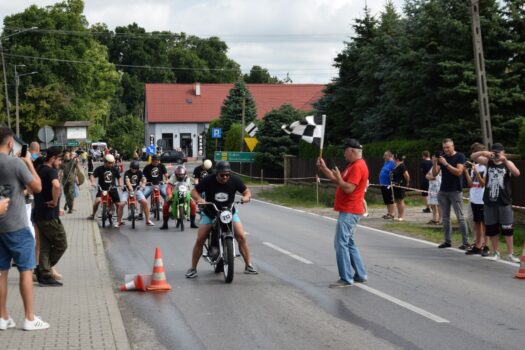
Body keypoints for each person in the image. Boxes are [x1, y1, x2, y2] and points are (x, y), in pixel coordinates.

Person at [0, 127, 49, 331]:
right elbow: (37, 187)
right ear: (10, 143)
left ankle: (2, 317)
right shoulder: (15, 163)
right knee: (26, 270)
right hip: (18, 226)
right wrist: (28, 162)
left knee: (1, 272)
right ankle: (29, 318)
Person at [185, 161, 257, 278]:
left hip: (229, 212)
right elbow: (194, 191)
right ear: (217, 173)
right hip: (210, 213)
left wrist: (246, 197)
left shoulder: (235, 180)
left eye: (227, 174)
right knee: (200, 238)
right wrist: (199, 199)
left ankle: (248, 265)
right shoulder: (208, 180)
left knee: (241, 236)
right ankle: (193, 268)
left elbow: (247, 191)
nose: (225, 177)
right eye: (222, 175)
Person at [317, 139, 369, 288]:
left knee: (340, 243)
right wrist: (324, 168)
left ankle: (346, 278)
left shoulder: (358, 167)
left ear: (352, 151)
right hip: (350, 210)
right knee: (349, 243)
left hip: (350, 210)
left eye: (345, 151)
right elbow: (336, 180)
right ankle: (360, 274)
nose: (344, 154)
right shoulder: (353, 166)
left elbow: (348, 188)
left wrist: (340, 179)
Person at [471, 143, 521, 262]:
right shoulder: (488, 162)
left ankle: (511, 253)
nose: (496, 155)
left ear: (503, 152)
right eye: (494, 152)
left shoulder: (507, 163)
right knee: (492, 228)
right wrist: (484, 153)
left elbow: (517, 173)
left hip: (504, 201)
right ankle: (496, 252)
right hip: (490, 201)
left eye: (498, 152)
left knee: (507, 228)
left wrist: (505, 160)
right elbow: (473, 156)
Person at [34, 146, 68, 287]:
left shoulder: (40, 169)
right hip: (49, 216)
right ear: (53, 158)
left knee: (45, 247)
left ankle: (45, 275)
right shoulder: (51, 170)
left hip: (39, 215)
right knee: (61, 243)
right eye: (59, 159)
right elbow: (56, 186)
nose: (60, 162)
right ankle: (43, 270)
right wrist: (55, 201)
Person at [432, 138, 470, 250]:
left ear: (453, 146)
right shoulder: (442, 158)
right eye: (444, 147)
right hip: (443, 190)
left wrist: (446, 164)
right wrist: (435, 163)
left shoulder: (460, 156)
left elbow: (459, 172)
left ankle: (465, 242)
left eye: (448, 147)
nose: (446, 149)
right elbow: (434, 174)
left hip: (455, 190)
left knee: (460, 217)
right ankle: (447, 241)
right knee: (445, 217)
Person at [464, 143, 488, 256]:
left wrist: (476, 172)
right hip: (474, 198)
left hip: (482, 199)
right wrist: (466, 171)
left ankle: (485, 245)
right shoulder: (475, 167)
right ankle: (477, 245)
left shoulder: (486, 167)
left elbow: (483, 184)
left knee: (484, 223)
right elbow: (470, 184)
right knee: (476, 223)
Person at [88, 154, 124, 228]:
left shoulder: (114, 169)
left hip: (112, 189)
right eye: (109, 163)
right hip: (102, 189)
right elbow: (92, 175)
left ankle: (120, 219)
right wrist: (93, 182)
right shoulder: (99, 169)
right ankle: (93, 215)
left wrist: (120, 184)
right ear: (105, 162)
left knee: (118, 205)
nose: (111, 164)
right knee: (97, 201)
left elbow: (119, 177)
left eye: (112, 163)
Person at [160, 165, 198, 230]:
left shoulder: (187, 178)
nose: (180, 176)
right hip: (174, 193)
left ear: (184, 174)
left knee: (193, 205)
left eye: (182, 174)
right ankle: (165, 224)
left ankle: (192, 223)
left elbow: (189, 188)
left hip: (185, 192)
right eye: (178, 174)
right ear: (176, 174)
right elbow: (169, 187)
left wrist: (192, 195)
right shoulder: (173, 177)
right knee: (165, 205)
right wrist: (169, 194)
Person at [121, 161, 155, 227]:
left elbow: (144, 178)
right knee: (121, 204)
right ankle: (119, 221)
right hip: (127, 190)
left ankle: (148, 220)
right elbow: (127, 181)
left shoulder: (139, 172)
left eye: (135, 168)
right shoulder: (127, 173)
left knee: (145, 202)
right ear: (130, 167)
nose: (134, 170)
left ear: (138, 168)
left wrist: (143, 184)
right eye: (132, 168)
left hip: (136, 190)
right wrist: (130, 188)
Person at [391, 154, 410, 221]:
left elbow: (407, 175)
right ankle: (399, 215)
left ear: (397, 159)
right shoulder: (396, 166)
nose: (393, 160)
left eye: (394, 159)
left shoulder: (402, 166)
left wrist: (407, 182)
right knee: (397, 200)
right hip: (395, 185)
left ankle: (401, 216)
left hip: (400, 185)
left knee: (400, 200)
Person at [379, 150, 396, 219]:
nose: (383, 157)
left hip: (388, 184)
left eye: (385, 155)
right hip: (383, 183)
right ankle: (388, 212)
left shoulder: (392, 163)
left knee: (390, 199)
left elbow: (393, 172)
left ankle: (392, 213)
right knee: (386, 199)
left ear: (389, 156)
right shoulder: (386, 162)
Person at [425, 157, 442, 225]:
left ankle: (440, 219)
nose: (432, 160)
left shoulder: (439, 166)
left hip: (438, 187)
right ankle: (434, 218)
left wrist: (430, 177)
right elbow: (427, 175)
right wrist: (429, 177)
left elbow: (434, 176)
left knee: (438, 204)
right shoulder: (432, 167)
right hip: (432, 187)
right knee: (432, 204)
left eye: (433, 159)